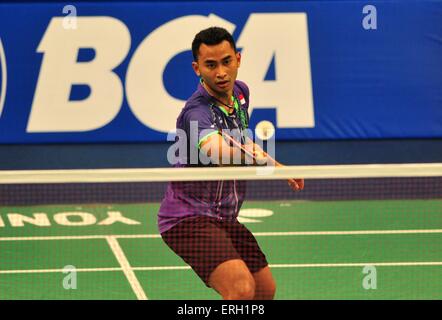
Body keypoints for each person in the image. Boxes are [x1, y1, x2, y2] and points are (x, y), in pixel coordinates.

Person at [158, 27, 304, 300]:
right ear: (197, 68)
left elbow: (241, 142)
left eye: (226, 62)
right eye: (210, 65)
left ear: (238, 59)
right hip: (187, 218)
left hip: (224, 217)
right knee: (240, 289)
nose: (221, 72)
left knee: (263, 290)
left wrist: (277, 166)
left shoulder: (240, 94)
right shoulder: (196, 112)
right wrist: (259, 159)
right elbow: (218, 152)